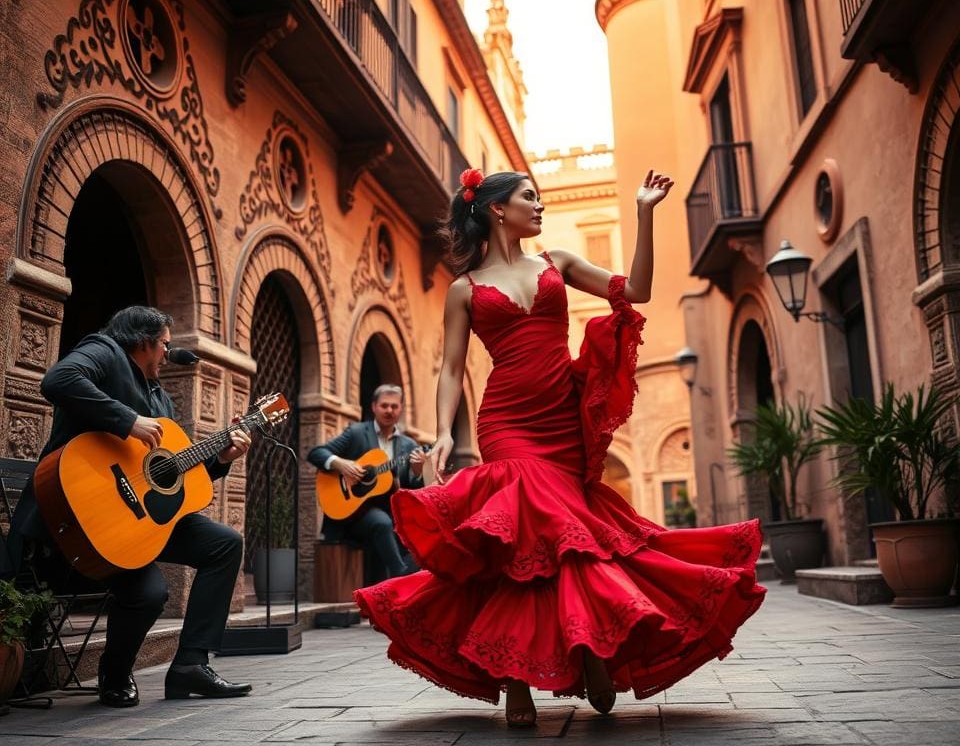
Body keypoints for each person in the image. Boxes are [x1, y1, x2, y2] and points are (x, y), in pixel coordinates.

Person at [354, 168, 766, 727]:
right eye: (530, 198)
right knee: (521, 538)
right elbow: (451, 368)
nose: (540, 206)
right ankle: (518, 678)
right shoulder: (464, 289)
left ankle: (589, 650)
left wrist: (644, 213)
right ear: (498, 209)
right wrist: (445, 430)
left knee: (565, 549)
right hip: (507, 421)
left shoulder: (558, 263)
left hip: (562, 422)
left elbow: (635, 291)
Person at [10, 306, 253, 707]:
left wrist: (221, 457)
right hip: (70, 520)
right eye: (165, 346)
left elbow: (172, 475)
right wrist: (126, 421)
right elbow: (58, 379)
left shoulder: (160, 398)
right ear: (143, 341)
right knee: (151, 593)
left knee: (224, 544)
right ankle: (116, 673)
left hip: (128, 524)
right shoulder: (103, 351)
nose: (167, 355)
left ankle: (190, 665)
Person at [308, 384, 425, 580]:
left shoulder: (409, 446)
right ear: (374, 407)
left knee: (407, 525)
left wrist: (417, 472)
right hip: (351, 514)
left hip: (391, 513)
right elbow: (316, 453)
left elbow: (412, 491)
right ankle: (402, 575)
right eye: (384, 405)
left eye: (394, 406)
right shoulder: (356, 433)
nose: (389, 411)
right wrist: (341, 464)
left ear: (401, 409)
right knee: (381, 522)